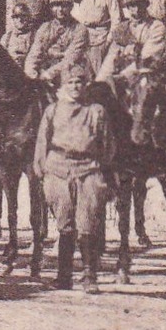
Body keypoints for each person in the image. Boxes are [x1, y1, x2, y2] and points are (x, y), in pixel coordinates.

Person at [33, 58, 115, 293]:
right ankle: (64, 275)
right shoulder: (53, 110)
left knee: (87, 222)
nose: (76, 86)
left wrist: (100, 168)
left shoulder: (96, 111)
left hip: (88, 169)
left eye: (80, 82)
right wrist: (41, 168)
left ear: (86, 84)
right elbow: (42, 141)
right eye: (71, 82)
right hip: (58, 168)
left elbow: (108, 144)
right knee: (64, 224)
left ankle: (90, 276)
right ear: (63, 85)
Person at [98, 0, 166, 85]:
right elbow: (111, 58)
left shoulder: (156, 26)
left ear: (146, 5)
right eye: (132, 5)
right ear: (128, 7)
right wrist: (101, 81)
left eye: (140, 5)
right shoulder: (122, 28)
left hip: (147, 73)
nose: (137, 9)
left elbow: (148, 57)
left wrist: (122, 77)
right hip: (122, 74)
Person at [24, 0, 89, 85]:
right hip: (45, 71)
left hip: (70, 73)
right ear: (51, 8)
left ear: (71, 7)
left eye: (64, 6)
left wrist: (48, 74)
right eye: (56, 6)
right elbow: (35, 53)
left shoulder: (79, 29)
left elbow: (71, 58)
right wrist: (31, 75)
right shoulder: (45, 27)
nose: (60, 10)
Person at [72, 0, 122, 74]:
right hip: (83, 36)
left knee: (96, 72)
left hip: (100, 37)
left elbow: (116, 19)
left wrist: (108, 41)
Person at [1, 3, 39, 69]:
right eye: (16, 17)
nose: (20, 20)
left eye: (23, 16)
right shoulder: (6, 38)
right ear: (13, 19)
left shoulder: (36, 37)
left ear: (28, 18)